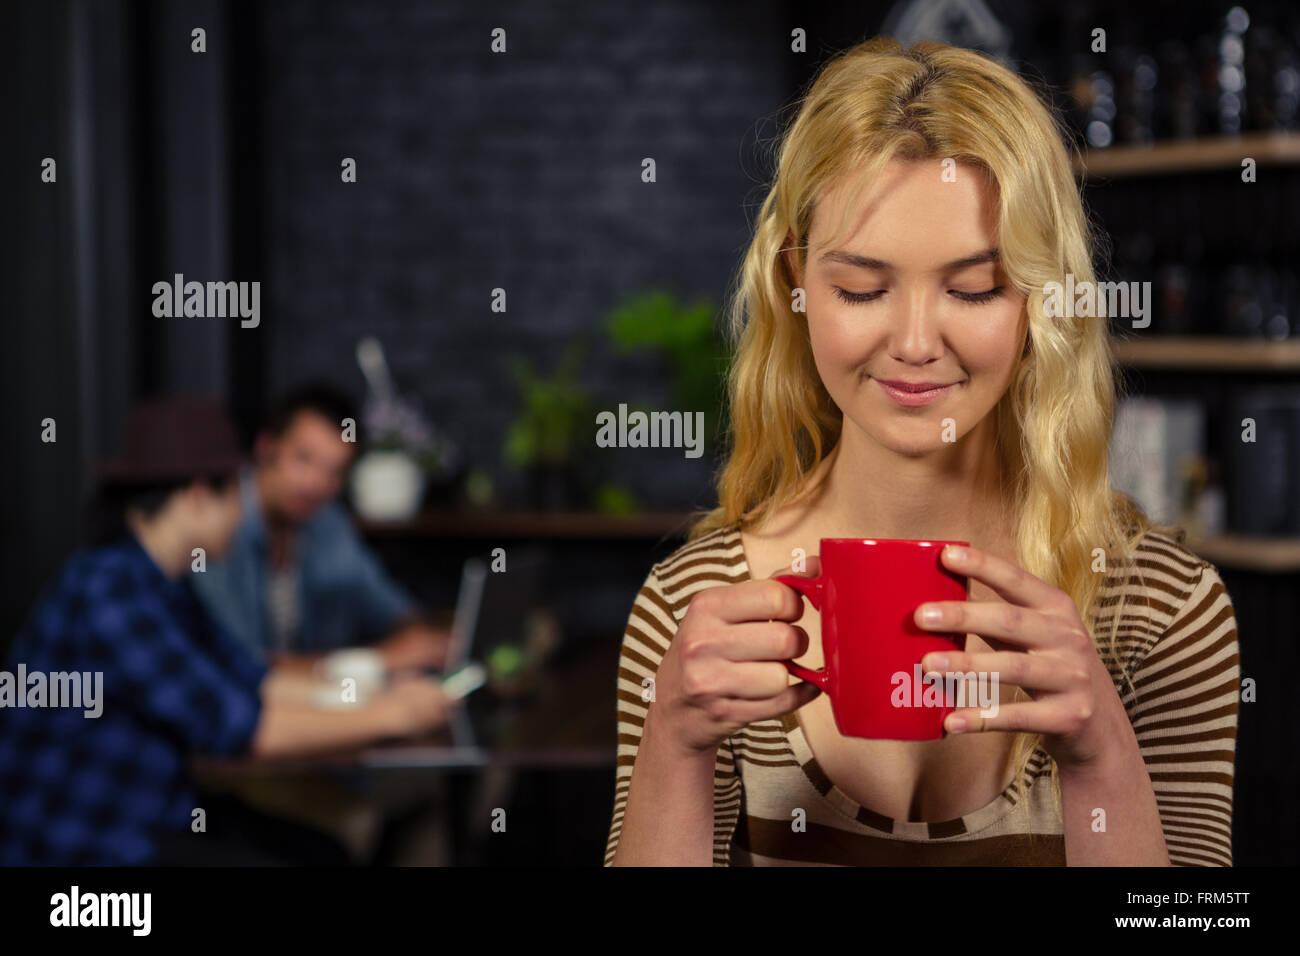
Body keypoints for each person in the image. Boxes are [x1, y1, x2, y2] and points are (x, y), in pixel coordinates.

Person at [605, 38, 1240, 867]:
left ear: (1039, 301)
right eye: (861, 288)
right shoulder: (696, 610)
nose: (912, 343)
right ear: (795, 283)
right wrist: (674, 751)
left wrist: (1102, 757)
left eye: (973, 289)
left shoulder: (1161, 612)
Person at [0, 397, 450, 865]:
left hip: (155, 814)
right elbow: (241, 727)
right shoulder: (108, 590)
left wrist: (379, 696)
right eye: (238, 491)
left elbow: (256, 679)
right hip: (86, 841)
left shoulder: (164, 587)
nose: (244, 509)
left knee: (325, 852)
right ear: (198, 497)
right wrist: (392, 716)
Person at [192, 383, 449, 675]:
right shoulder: (217, 526)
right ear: (265, 447)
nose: (316, 484)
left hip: (321, 705)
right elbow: (239, 668)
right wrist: (377, 660)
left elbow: (392, 608)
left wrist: (420, 641)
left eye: (334, 471)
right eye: (304, 458)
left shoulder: (328, 523)